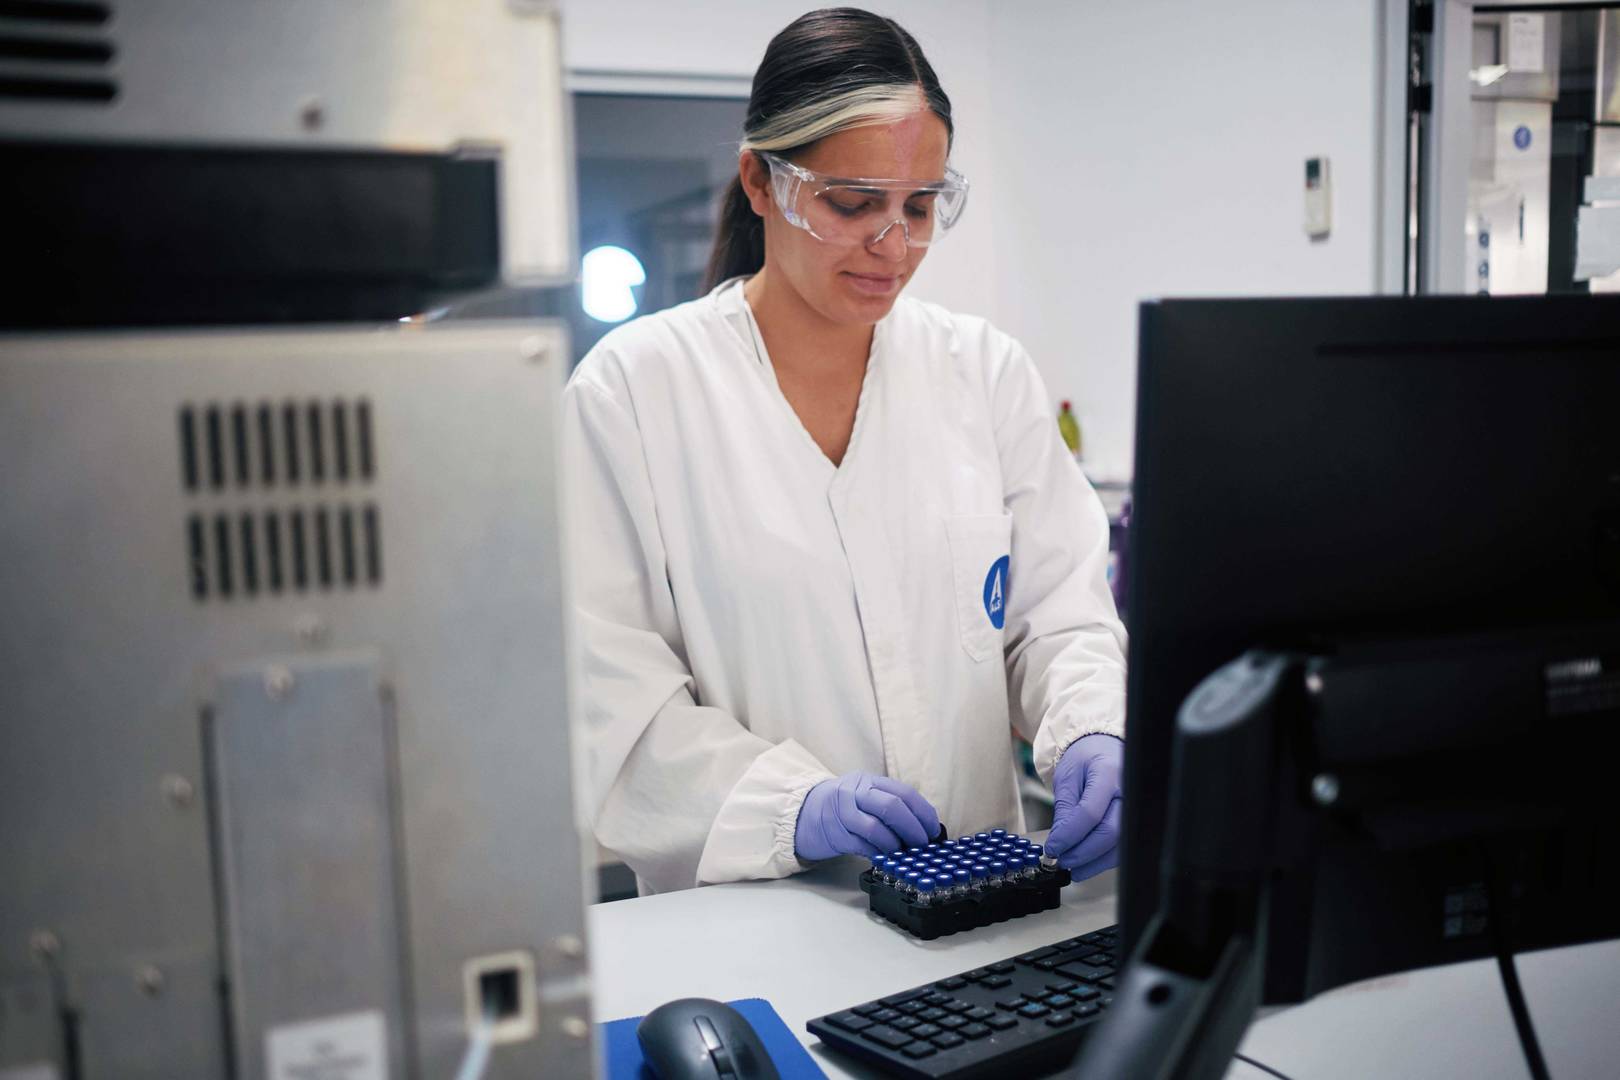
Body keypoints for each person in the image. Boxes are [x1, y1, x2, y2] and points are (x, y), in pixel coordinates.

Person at [562, 7, 1125, 895]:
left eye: (921, 205)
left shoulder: (982, 373)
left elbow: (1057, 618)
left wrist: (1094, 726)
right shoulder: (632, 392)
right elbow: (611, 696)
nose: (894, 244)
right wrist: (791, 805)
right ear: (760, 181)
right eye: (853, 203)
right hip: (758, 928)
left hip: (986, 916)